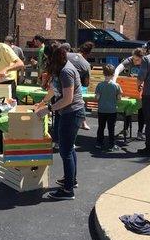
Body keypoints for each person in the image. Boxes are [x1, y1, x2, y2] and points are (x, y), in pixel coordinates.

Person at [35, 46, 85, 200]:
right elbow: (54, 90)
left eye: (47, 58)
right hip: (67, 113)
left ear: (52, 57)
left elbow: (67, 99)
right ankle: (71, 180)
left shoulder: (66, 71)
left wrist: (48, 109)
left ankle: (68, 191)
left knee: (65, 151)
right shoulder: (60, 69)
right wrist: (43, 102)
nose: (46, 62)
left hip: (72, 113)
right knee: (69, 149)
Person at [113, 48, 146, 140]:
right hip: (131, 88)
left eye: (137, 60)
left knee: (141, 110)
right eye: (134, 59)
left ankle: (140, 132)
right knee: (128, 108)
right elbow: (118, 68)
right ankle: (125, 129)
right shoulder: (130, 60)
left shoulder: (146, 62)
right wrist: (114, 81)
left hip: (142, 88)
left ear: (142, 58)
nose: (134, 61)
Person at [61, 43, 91, 130]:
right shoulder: (86, 64)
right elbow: (86, 83)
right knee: (79, 104)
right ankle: (83, 123)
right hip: (75, 88)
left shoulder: (67, 55)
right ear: (88, 54)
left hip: (61, 84)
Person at [96, 64, 123, 151]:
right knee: (111, 128)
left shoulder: (99, 85)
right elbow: (119, 98)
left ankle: (99, 143)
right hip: (112, 110)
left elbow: (97, 97)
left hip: (102, 110)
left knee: (101, 127)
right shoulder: (116, 86)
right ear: (113, 74)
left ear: (103, 73)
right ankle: (111, 145)